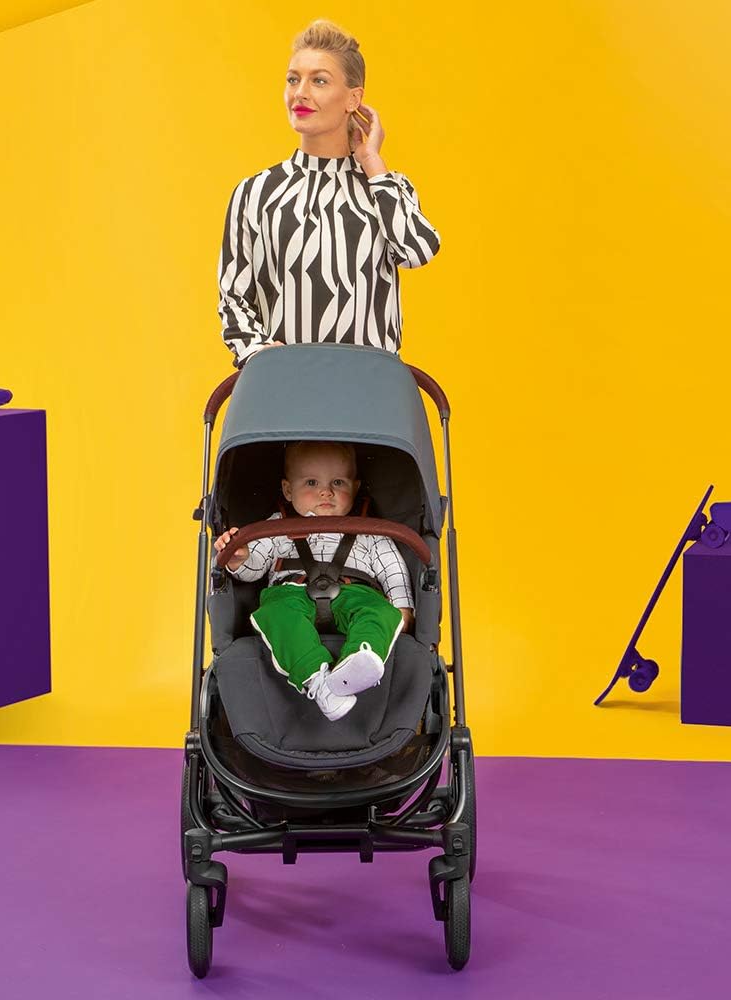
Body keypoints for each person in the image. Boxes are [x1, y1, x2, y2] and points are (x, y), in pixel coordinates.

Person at [217, 19, 441, 369]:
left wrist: (372, 162)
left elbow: (417, 249)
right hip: (284, 384)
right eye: (293, 79)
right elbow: (233, 297)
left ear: (354, 98)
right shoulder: (256, 193)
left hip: (371, 387)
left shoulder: (386, 186)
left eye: (319, 80)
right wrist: (261, 355)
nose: (300, 92)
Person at [213, 441, 415, 721]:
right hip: (292, 592)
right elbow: (254, 567)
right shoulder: (275, 526)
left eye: (338, 482)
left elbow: (393, 570)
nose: (326, 491)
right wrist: (239, 557)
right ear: (288, 490)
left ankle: (359, 660)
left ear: (355, 487)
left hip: (355, 592)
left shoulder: (372, 531)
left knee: (381, 612)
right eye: (311, 482)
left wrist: (402, 608)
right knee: (275, 613)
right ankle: (318, 681)